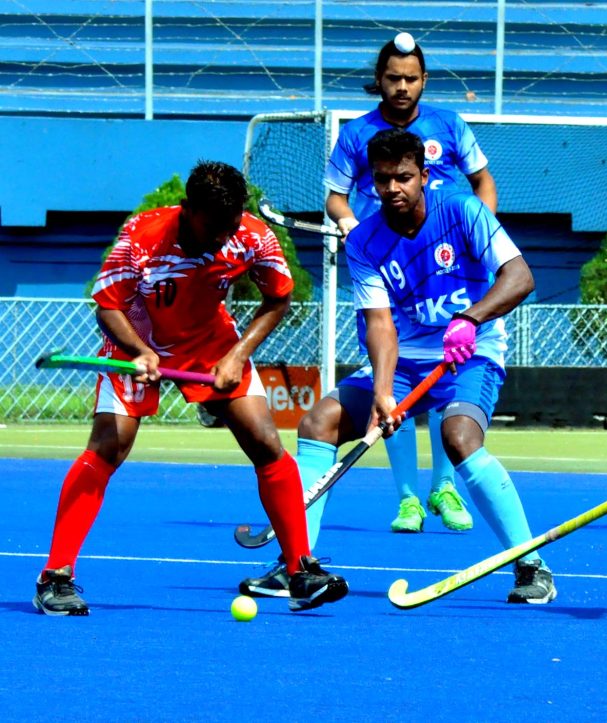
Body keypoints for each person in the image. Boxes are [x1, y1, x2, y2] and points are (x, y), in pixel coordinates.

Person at [244, 128, 555, 604]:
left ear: (424, 176)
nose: (393, 188)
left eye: (404, 177)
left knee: (459, 437)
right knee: (319, 422)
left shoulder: (462, 209)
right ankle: (296, 564)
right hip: (406, 360)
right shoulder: (365, 240)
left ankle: (531, 566)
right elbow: (380, 324)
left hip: (470, 352)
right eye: (383, 179)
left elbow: (520, 276)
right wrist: (385, 394)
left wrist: (470, 319)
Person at [32, 161, 347, 615]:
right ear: (189, 210)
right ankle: (55, 578)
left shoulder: (251, 235)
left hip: (210, 342)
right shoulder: (143, 236)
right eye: (215, 226)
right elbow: (108, 306)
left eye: (232, 223)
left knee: (265, 440)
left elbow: (278, 298)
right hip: (138, 336)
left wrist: (238, 354)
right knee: (109, 446)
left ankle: (300, 570)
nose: (225, 235)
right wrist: (139, 351)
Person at [325, 33, 497, 534]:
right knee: (393, 374)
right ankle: (407, 498)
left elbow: (484, 180)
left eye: (411, 78)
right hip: (388, 267)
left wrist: (479, 229)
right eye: (393, 78)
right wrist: (355, 230)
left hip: (449, 265)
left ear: (424, 81)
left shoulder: (449, 124)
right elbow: (337, 199)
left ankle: (443, 486)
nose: (402, 87)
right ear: (379, 80)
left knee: (450, 371)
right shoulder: (357, 134)